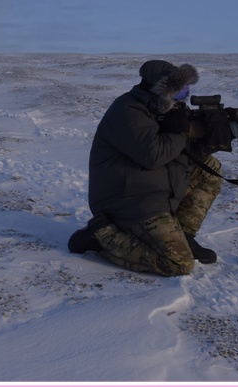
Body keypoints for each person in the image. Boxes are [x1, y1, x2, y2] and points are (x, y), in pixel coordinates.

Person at [67, 60, 223, 276]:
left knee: (209, 168)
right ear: (160, 89)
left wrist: (208, 141)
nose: (184, 95)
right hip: (128, 200)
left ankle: (184, 234)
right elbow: (155, 155)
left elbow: (181, 152)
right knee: (179, 263)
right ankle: (103, 235)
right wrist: (183, 131)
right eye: (179, 90)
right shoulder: (128, 111)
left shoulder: (167, 109)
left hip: (153, 189)